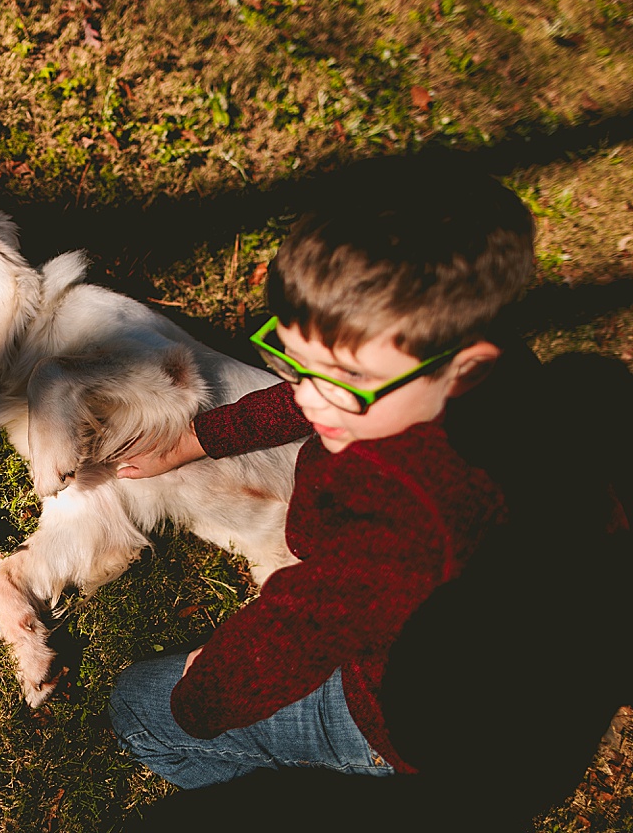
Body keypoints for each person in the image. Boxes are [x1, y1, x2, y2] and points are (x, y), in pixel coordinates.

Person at [106, 178, 537, 790]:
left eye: (344, 379)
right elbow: (312, 395)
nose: (310, 397)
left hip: (393, 713)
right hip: (452, 652)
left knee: (140, 706)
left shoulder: (408, 513)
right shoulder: (452, 368)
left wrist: (207, 688)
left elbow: (302, 627)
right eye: (295, 361)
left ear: (466, 368)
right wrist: (197, 439)